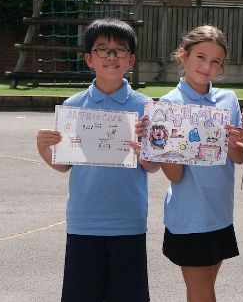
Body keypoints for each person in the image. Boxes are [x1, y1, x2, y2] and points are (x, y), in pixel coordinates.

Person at [35, 18, 159, 302]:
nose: (111, 57)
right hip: (84, 221)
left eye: (120, 50)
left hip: (128, 221)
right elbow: (64, 164)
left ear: (131, 59)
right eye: (103, 49)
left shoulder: (146, 107)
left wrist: (145, 153)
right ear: (89, 58)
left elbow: (153, 166)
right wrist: (44, 149)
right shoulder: (73, 106)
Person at [151, 25, 243, 302]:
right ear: (183, 55)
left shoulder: (228, 99)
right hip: (190, 217)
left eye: (215, 61)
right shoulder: (168, 105)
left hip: (220, 213)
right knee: (203, 295)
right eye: (201, 57)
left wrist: (233, 140)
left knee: (200, 292)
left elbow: (239, 157)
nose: (207, 66)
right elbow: (175, 176)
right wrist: (167, 147)